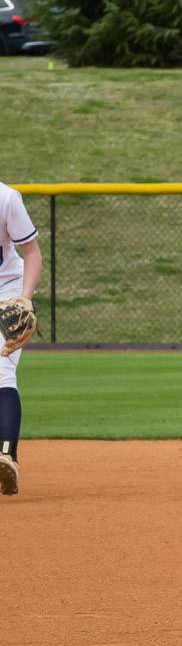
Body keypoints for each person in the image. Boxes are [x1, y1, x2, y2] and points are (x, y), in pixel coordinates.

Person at [0, 182, 42, 497]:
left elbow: (31, 252)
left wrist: (24, 300)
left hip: (7, 294)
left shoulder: (6, 198)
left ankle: (6, 456)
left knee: (2, 373)